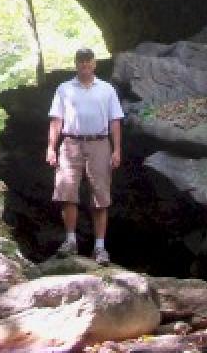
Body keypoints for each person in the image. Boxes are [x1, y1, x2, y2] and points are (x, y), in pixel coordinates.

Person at [45, 47, 124, 265]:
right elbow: (56, 120)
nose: (85, 65)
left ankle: (100, 247)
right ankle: (70, 241)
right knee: (67, 192)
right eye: (81, 61)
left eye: (88, 61)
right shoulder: (64, 89)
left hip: (99, 143)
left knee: (100, 195)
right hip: (71, 143)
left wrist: (116, 149)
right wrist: (51, 147)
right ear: (76, 64)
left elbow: (115, 121)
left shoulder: (106, 90)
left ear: (94, 64)